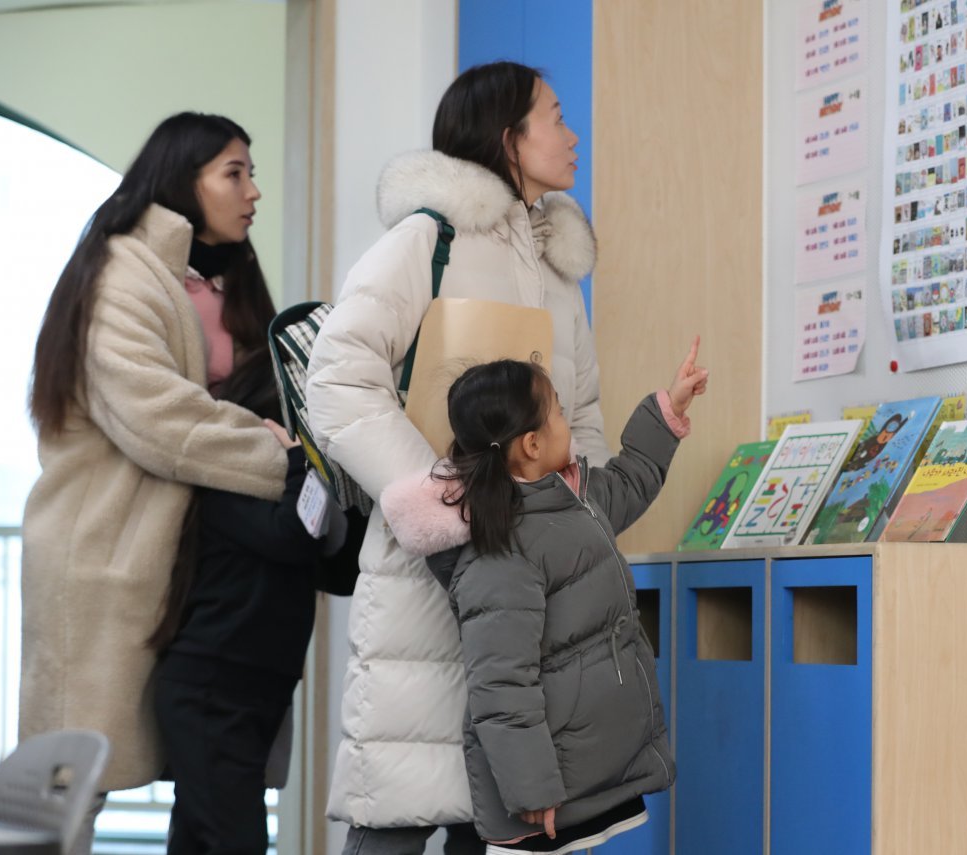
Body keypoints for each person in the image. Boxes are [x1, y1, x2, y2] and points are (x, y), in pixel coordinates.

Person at [306, 61, 609, 853]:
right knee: (396, 821)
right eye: (554, 116)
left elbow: (581, 418)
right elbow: (336, 378)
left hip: (528, 585)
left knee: (500, 825)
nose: (571, 135)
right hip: (426, 578)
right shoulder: (427, 238)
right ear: (508, 136)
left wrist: (577, 530)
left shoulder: (555, 271)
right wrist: (439, 501)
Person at [21, 112, 291, 854]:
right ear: (183, 178)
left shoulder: (228, 279)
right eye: (234, 172)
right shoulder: (118, 272)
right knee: (73, 791)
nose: (253, 190)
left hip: (201, 574)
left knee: (206, 792)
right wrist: (284, 459)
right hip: (107, 560)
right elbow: (159, 420)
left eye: (251, 171)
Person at [378, 342, 706, 853]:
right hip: (545, 798)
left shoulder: (574, 498)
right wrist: (530, 787)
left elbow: (632, 479)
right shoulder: (501, 550)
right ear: (531, 445)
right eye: (557, 409)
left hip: (585, 776)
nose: (565, 418)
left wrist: (671, 410)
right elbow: (501, 684)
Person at [149, 341, 362, 854]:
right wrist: (297, 463)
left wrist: (348, 492)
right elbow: (290, 536)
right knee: (235, 841)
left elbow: (342, 572)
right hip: (210, 690)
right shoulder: (225, 477)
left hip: (249, 691)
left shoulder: (299, 484)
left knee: (204, 840)